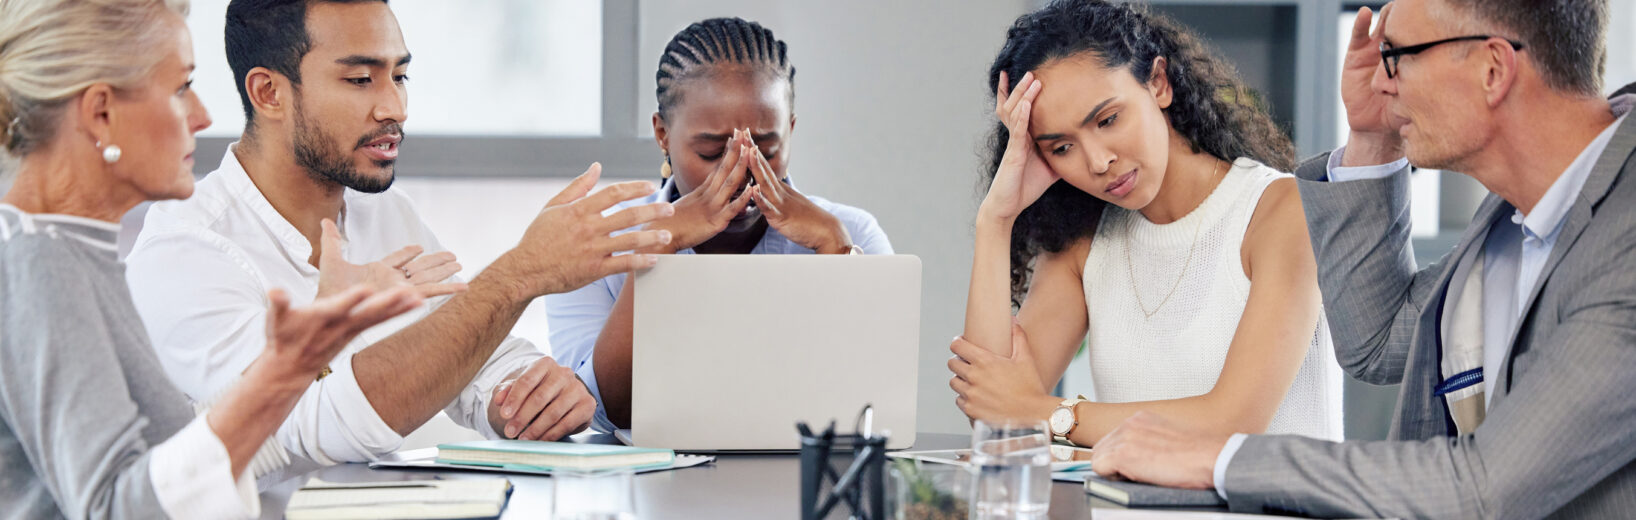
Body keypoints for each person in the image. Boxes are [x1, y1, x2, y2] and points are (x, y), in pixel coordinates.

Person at [1089, 1, 1636, 518]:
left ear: (1493, 69)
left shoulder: (1624, 234)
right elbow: (1378, 343)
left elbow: (1484, 488)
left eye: (1396, 56)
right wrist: (1373, 139)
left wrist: (1216, 458)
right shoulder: (1516, 217)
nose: (1378, 79)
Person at [123, 0, 673, 472]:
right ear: (269, 93)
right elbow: (315, 424)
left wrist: (528, 396)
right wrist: (520, 274)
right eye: (361, 79)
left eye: (400, 76)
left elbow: (478, 358)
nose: (395, 108)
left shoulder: (383, 213)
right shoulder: (186, 250)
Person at [0, 0, 421, 517]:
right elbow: (116, 509)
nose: (202, 117)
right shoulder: (39, 264)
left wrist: (300, 370)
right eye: (180, 89)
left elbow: (174, 456)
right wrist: (285, 372)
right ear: (102, 113)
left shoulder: (75, 251)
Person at [949, 0, 1342, 447]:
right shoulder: (1085, 243)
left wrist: (1044, 413)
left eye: (1108, 119)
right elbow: (993, 413)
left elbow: (1231, 422)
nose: (1098, 162)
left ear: (1158, 83)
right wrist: (997, 219)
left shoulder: (1281, 210)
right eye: (1061, 148)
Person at [545, 17, 894, 431]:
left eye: (766, 149)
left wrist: (836, 251)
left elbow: (875, 405)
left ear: (791, 131)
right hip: (644, 489)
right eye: (712, 152)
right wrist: (659, 247)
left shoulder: (852, 232)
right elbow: (608, 411)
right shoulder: (598, 243)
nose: (742, 172)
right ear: (662, 135)